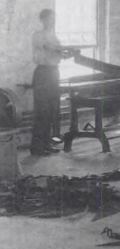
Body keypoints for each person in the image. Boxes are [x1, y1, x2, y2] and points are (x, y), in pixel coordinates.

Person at [31, 9, 68, 156]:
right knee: (42, 111)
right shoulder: (38, 36)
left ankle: (47, 144)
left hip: (54, 73)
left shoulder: (54, 36)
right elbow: (48, 48)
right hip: (43, 74)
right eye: (50, 19)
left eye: (54, 19)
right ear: (43, 20)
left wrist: (66, 54)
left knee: (52, 111)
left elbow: (58, 53)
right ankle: (37, 148)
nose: (52, 21)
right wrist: (62, 50)